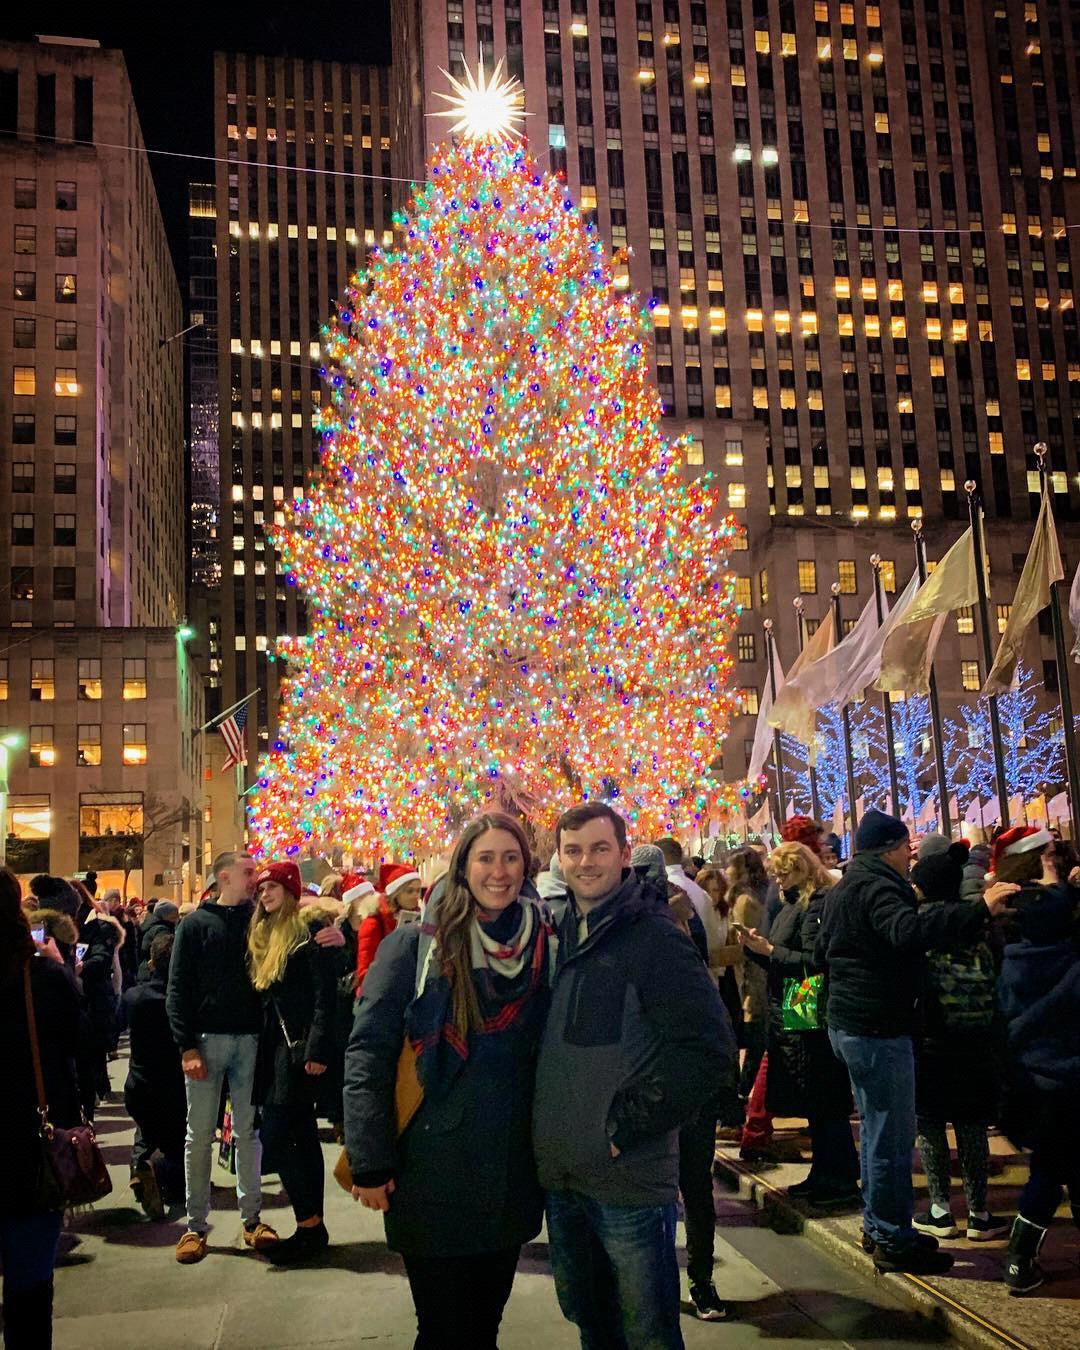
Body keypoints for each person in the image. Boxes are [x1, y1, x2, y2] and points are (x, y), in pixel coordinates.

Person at [345, 812, 552, 1349]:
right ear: (463, 867)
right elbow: (368, 1052)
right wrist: (370, 1160)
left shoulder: (543, 943)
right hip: (430, 1171)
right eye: (486, 858)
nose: (499, 871)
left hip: (508, 1170)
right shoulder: (413, 945)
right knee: (442, 1330)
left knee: (484, 1328)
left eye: (511, 858)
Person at [536, 803, 736, 1342]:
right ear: (559, 859)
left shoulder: (653, 937)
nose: (586, 862)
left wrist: (626, 1126)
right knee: (590, 1321)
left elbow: (709, 1049)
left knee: (646, 1331)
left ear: (624, 855)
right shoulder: (557, 932)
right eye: (574, 850)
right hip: (564, 1174)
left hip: (627, 1178)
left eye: (600, 849)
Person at [814, 809, 1017, 1274]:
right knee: (890, 1137)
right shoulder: (879, 886)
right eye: (907, 848)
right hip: (877, 1027)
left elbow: (824, 951)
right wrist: (979, 909)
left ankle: (880, 1226)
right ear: (891, 848)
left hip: (850, 1023)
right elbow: (907, 932)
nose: (910, 857)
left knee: (875, 1131)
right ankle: (892, 1237)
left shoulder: (846, 886)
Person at [166, 850, 280, 1264]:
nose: (255, 879)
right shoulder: (195, 925)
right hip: (207, 1038)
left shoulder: (258, 920)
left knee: (247, 1132)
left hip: (249, 1038)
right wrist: (187, 1046)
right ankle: (196, 1224)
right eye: (248, 872)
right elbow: (177, 988)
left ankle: (252, 1219)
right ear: (224, 876)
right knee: (199, 1135)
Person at [738, 842, 858, 1209]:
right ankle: (823, 1172)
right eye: (775, 873)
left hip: (807, 1009)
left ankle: (838, 1176)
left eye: (783, 872)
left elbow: (813, 962)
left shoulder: (815, 903)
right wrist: (758, 950)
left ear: (802, 869)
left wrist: (770, 952)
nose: (777, 879)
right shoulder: (792, 903)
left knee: (823, 1097)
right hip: (793, 1006)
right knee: (813, 1099)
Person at [994, 827, 1080, 1294]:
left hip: (1030, 1075)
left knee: (1057, 1162)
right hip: (1067, 1074)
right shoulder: (1067, 953)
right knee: (1052, 1168)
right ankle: (1019, 1258)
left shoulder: (1011, 947)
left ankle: (1020, 1259)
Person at [910, 840, 1008, 1242]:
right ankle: (979, 1213)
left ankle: (940, 1210)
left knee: (930, 1123)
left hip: (932, 1039)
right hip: (976, 1039)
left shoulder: (919, 926)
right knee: (971, 1125)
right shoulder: (980, 923)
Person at [1, 867, 82, 1350]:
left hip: (25, 1150)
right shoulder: (40, 977)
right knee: (29, 1290)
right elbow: (85, 1039)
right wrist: (64, 969)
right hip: (29, 1151)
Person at [249, 861, 343, 1264]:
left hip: (297, 1050)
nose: (266, 894)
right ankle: (311, 1227)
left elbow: (325, 995)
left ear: (290, 891)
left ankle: (309, 1225)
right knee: (299, 1136)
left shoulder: (308, 930)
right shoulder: (264, 932)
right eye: (262, 889)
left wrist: (317, 1050)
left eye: (273, 887)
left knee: (279, 1135)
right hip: (275, 1049)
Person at [123, 932, 187, 1220]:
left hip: (139, 1083)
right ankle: (163, 1177)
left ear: (151, 964)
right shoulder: (183, 1001)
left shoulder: (134, 997)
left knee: (145, 1131)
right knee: (177, 1142)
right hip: (174, 1085)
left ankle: (141, 1171)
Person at [724, 847, 769, 1095]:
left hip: (762, 980)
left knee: (759, 1036)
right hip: (780, 977)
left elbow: (746, 947)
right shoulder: (761, 895)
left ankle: (745, 1092)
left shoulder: (745, 901)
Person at [354, 863, 423, 995]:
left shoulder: (420, 917)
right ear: (396, 893)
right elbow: (365, 971)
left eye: (418, 890)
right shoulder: (374, 922)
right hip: (380, 995)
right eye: (409, 891)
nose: (416, 895)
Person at [137, 900, 179, 982]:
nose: (177, 918)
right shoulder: (161, 930)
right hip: (153, 973)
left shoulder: (150, 925)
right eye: (174, 915)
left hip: (145, 970)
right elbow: (163, 951)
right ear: (166, 915)